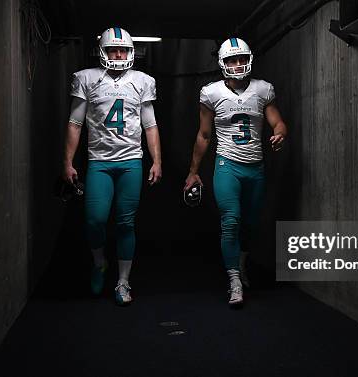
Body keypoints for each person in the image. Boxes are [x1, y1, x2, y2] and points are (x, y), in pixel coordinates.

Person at [184, 37, 288, 306]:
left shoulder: (263, 89)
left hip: (255, 166)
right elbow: (204, 135)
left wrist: (280, 134)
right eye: (232, 60)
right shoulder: (211, 93)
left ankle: (240, 265)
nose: (238, 64)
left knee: (250, 224)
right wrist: (193, 171)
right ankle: (233, 281)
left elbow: (278, 122)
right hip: (227, 164)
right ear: (222, 63)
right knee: (231, 220)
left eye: (242, 58)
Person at [63, 27, 162, 305]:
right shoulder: (88, 78)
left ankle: (123, 281)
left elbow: (150, 125)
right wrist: (67, 161)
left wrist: (157, 160)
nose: (118, 54)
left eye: (123, 50)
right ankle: (99, 263)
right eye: (113, 50)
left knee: (125, 222)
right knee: (95, 219)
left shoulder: (142, 81)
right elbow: (75, 123)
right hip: (100, 162)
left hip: (131, 160)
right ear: (102, 52)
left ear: (131, 52)